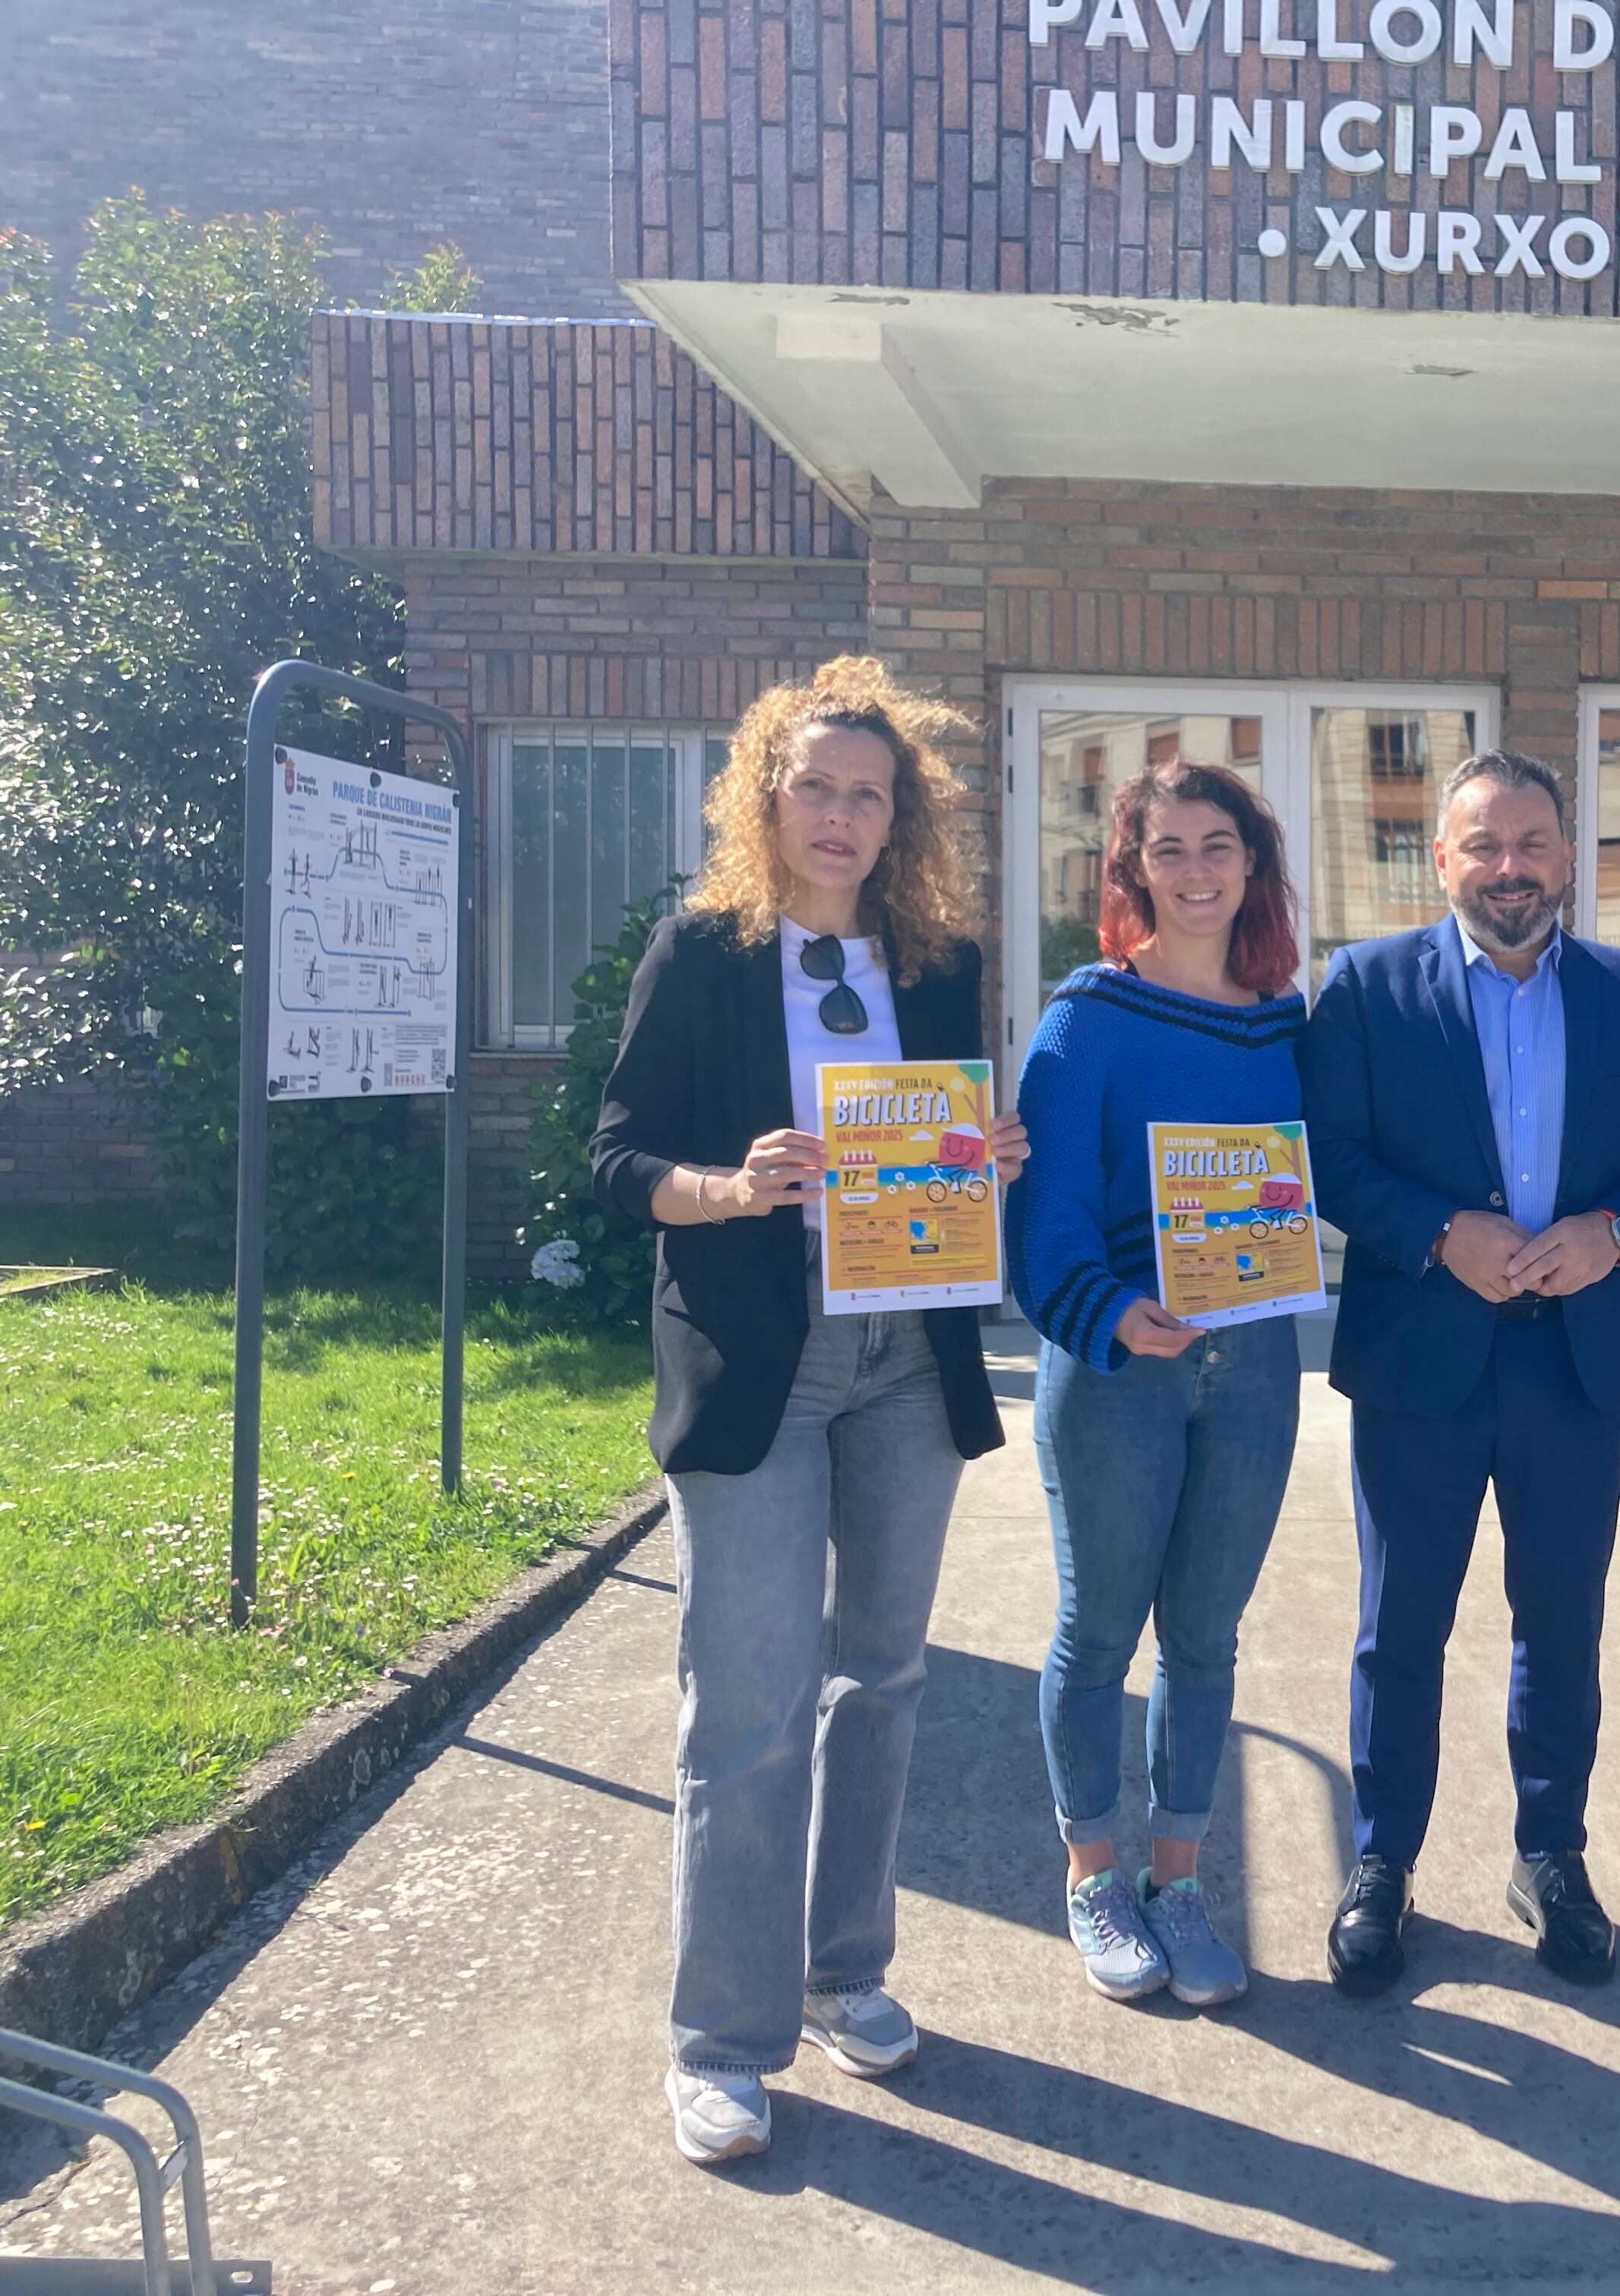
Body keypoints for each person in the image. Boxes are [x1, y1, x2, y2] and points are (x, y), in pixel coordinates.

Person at [590, 656, 1025, 2167]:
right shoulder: (702, 955)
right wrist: (732, 1188)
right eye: (817, 788)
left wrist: (988, 1158)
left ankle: (851, 1976)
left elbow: (945, 1150)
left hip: (909, 1359)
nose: (843, 816)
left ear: (902, 815)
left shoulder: (939, 961)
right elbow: (618, 1157)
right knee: (751, 1706)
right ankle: (721, 2038)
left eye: (870, 792)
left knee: (884, 1678)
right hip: (761, 1362)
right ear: (765, 799)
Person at [1298, 749, 1620, 1993]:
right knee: (1401, 1624)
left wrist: (1613, 1234)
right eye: (1484, 846)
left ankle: (1552, 1853)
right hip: (1422, 1352)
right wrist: (1438, 1231)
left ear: (1568, 854)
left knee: (1562, 1621)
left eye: (1532, 843)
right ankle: (1382, 1860)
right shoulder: (1365, 988)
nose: (1511, 869)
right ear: (1442, 859)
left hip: (1574, 1359)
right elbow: (1327, 1155)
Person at [1009, 760, 1309, 2011]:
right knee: (1098, 1631)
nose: (1196, 871)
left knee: (1206, 1639)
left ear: (1253, 864)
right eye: (1169, 849)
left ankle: (1179, 1879)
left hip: (1255, 1367)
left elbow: (1330, 1170)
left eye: (1218, 846)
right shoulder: (1090, 1016)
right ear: (1131, 870)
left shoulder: (1290, 1023)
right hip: (1118, 1365)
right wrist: (1109, 1311)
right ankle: (1094, 1874)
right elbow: (1044, 1208)